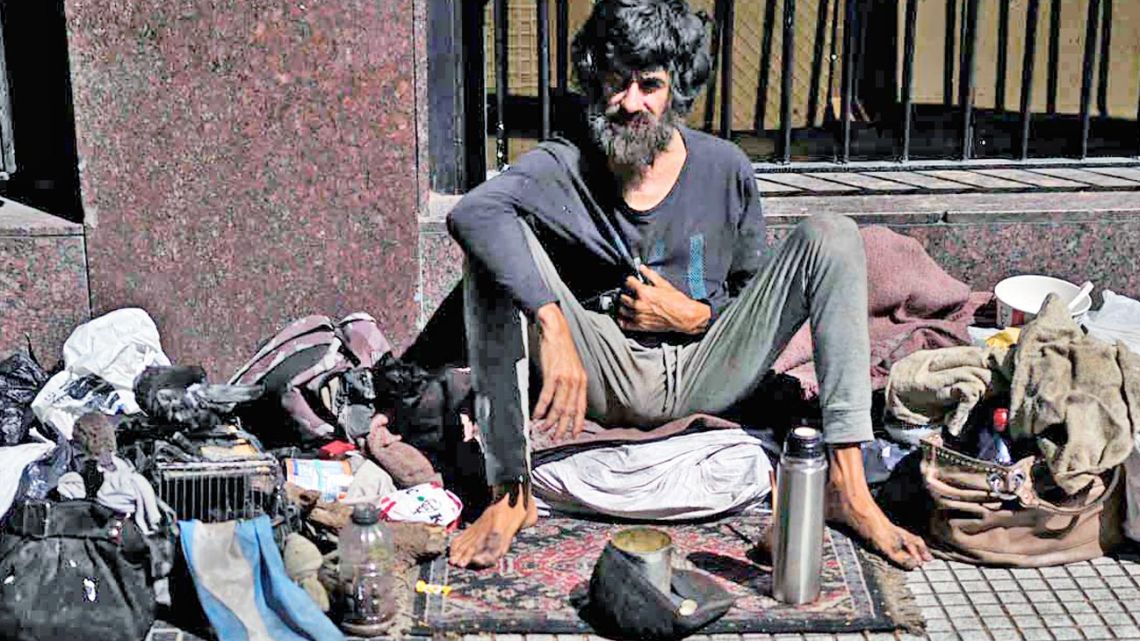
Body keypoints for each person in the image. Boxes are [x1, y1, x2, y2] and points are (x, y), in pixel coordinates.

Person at [445, 0, 932, 570]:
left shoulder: (725, 167)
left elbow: (749, 296)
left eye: (649, 85)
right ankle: (510, 493)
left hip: (707, 367)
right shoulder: (564, 160)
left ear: (677, 90)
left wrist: (695, 316)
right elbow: (473, 213)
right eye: (616, 82)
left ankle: (848, 486)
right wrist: (551, 323)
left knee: (834, 235)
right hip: (609, 370)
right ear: (595, 82)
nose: (631, 102)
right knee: (490, 250)